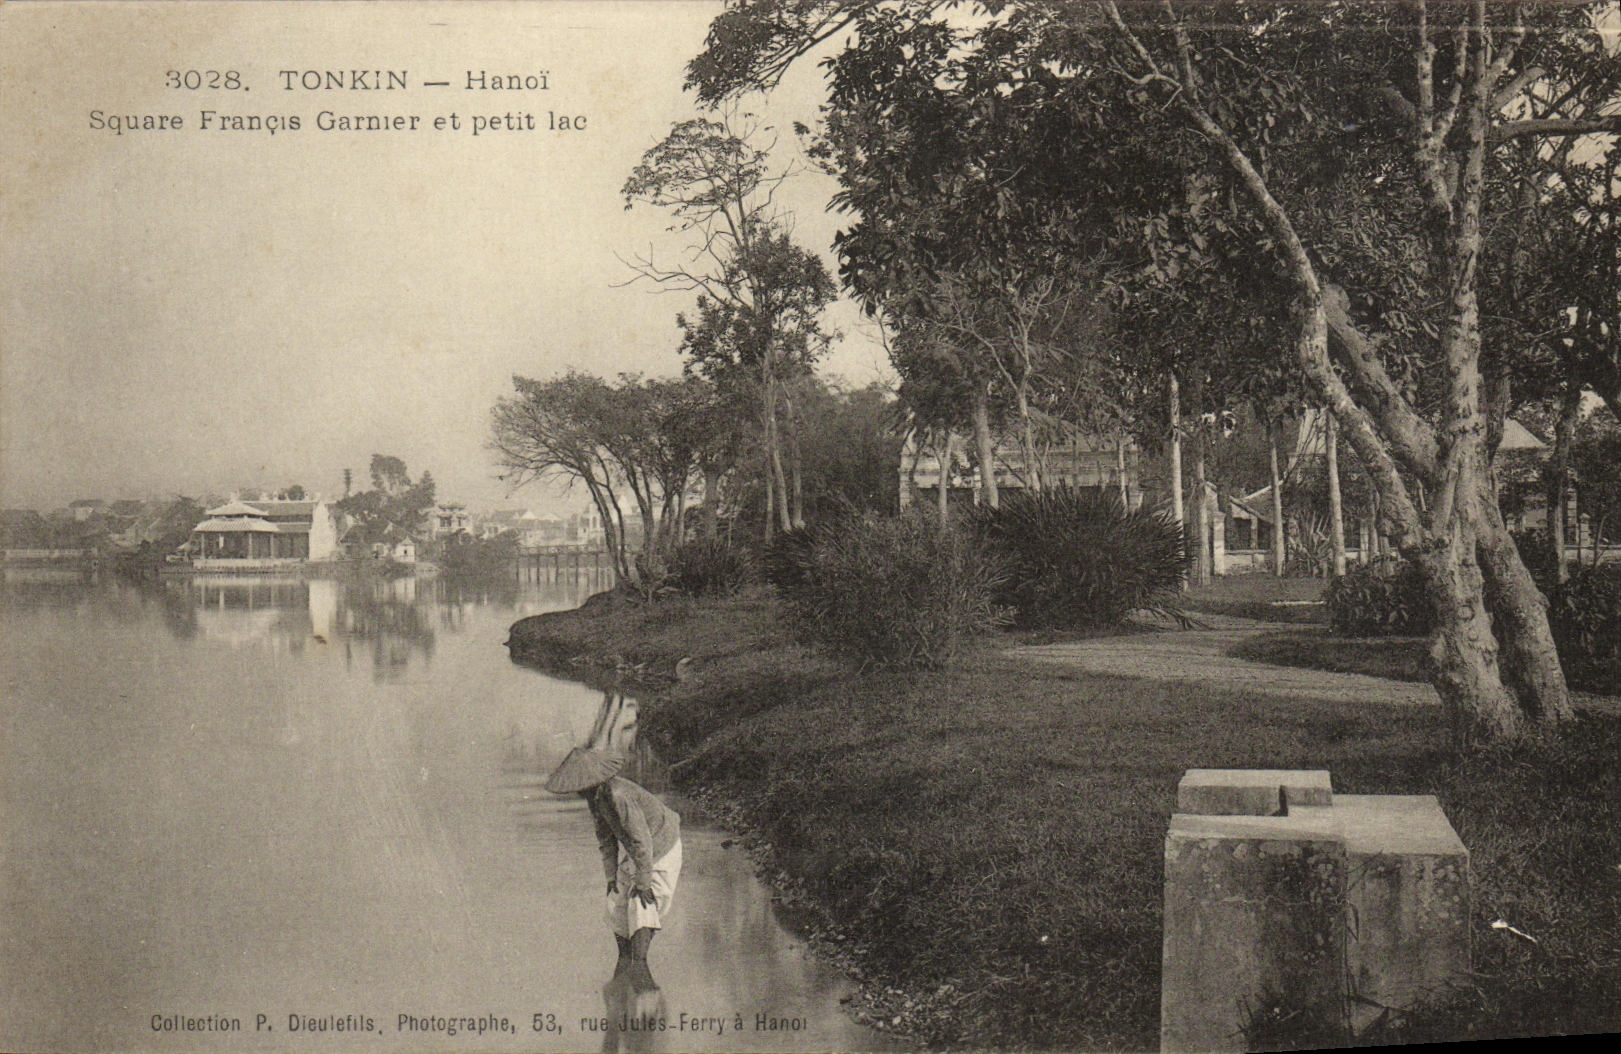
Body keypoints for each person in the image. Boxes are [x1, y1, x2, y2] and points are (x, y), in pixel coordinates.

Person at [545, 747, 682, 964]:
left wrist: (644, 882)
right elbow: (606, 840)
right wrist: (611, 877)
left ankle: (639, 965)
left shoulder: (619, 796)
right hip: (640, 848)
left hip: (661, 843)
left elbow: (641, 841)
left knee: (642, 903)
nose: (579, 792)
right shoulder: (597, 800)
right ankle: (625, 961)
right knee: (616, 903)